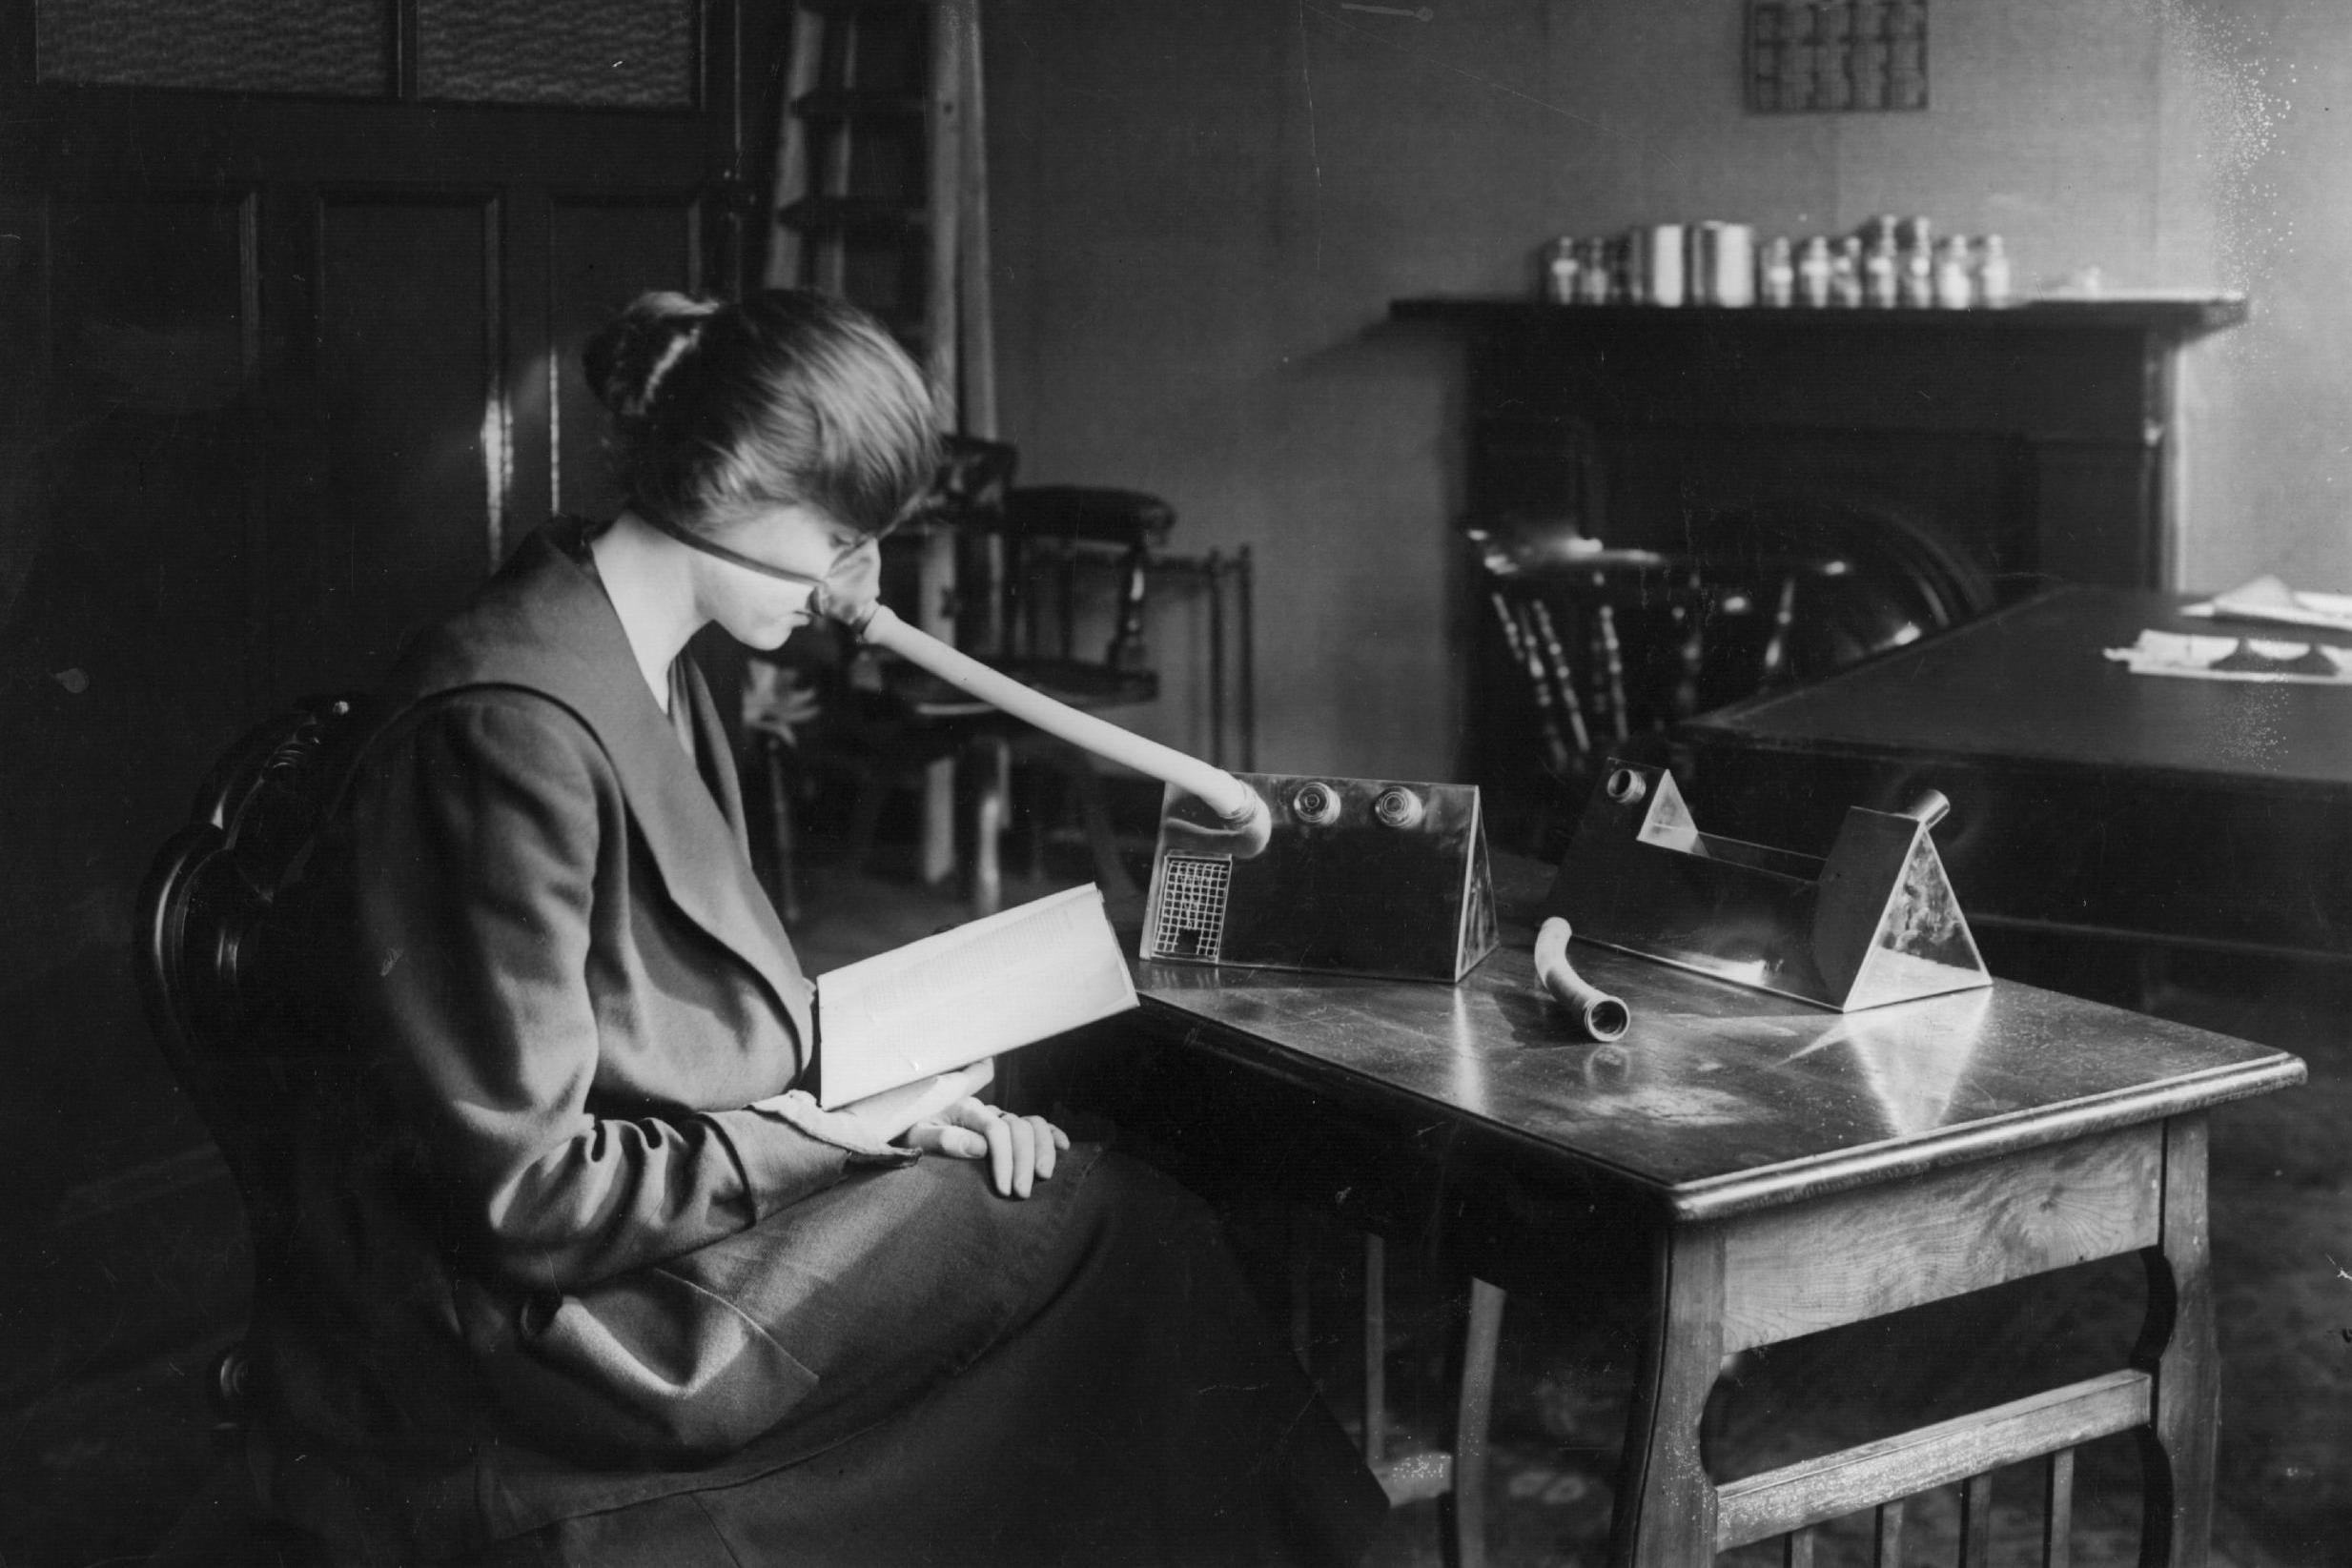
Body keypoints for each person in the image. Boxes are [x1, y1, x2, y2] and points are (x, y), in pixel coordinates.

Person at [245, 290, 1386, 1566]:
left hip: (665, 1217)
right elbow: (529, 1192)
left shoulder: (645, 660)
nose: (862, 584)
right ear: (725, 482)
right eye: (842, 531)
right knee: (1125, 1237)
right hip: (549, 1330)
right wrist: (829, 1139)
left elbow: (677, 1024)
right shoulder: (509, 724)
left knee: (1098, 1209)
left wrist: (902, 1106)